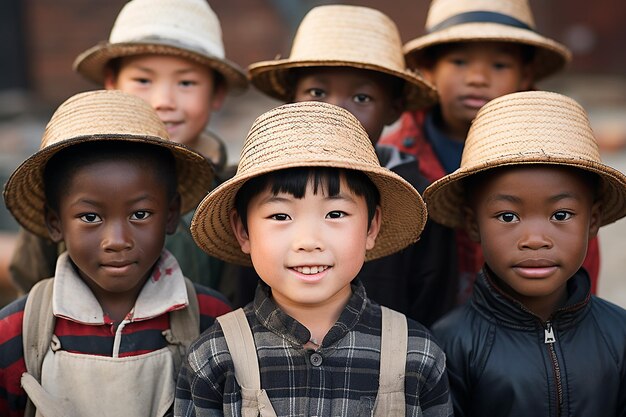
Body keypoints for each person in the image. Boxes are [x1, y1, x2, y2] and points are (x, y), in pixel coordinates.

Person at [175, 101, 452, 416]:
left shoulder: (416, 354)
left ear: (371, 227)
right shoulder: (214, 358)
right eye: (280, 215)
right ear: (243, 231)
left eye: (335, 213)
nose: (309, 242)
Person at [0, 90, 231, 417]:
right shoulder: (17, 332)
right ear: (55, 224)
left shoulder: (210, 319)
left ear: (170, 215)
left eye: (140, 215)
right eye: (91, 217)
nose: (117, 240)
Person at [9, 0, 247, 295]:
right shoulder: (69, 177)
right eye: (143, 80)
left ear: (216, 93)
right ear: (112, 83)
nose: (163, 100)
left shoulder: (232, 189)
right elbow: (30, 282)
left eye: (186, 83)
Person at [243, 4, 458, 326]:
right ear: (290, 97)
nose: (336, 112)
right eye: (317, 92)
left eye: (361, 98)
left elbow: (434, 306)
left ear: (394, 110)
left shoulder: (418, 198)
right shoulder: (257, 183)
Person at [378, 0, 603, 302]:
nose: (477, 79)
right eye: (459, 62)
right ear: (428, 70)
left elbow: (578, 259)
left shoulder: (557, 155)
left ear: (526, 75)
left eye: (499, 65)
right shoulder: (393, 162)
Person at [423, 91, 626, 416]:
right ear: (473, 225)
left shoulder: (619, 334)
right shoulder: (450, 344)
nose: (534, 239)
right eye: (508, 216)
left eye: (561, 215)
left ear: (594, 220)